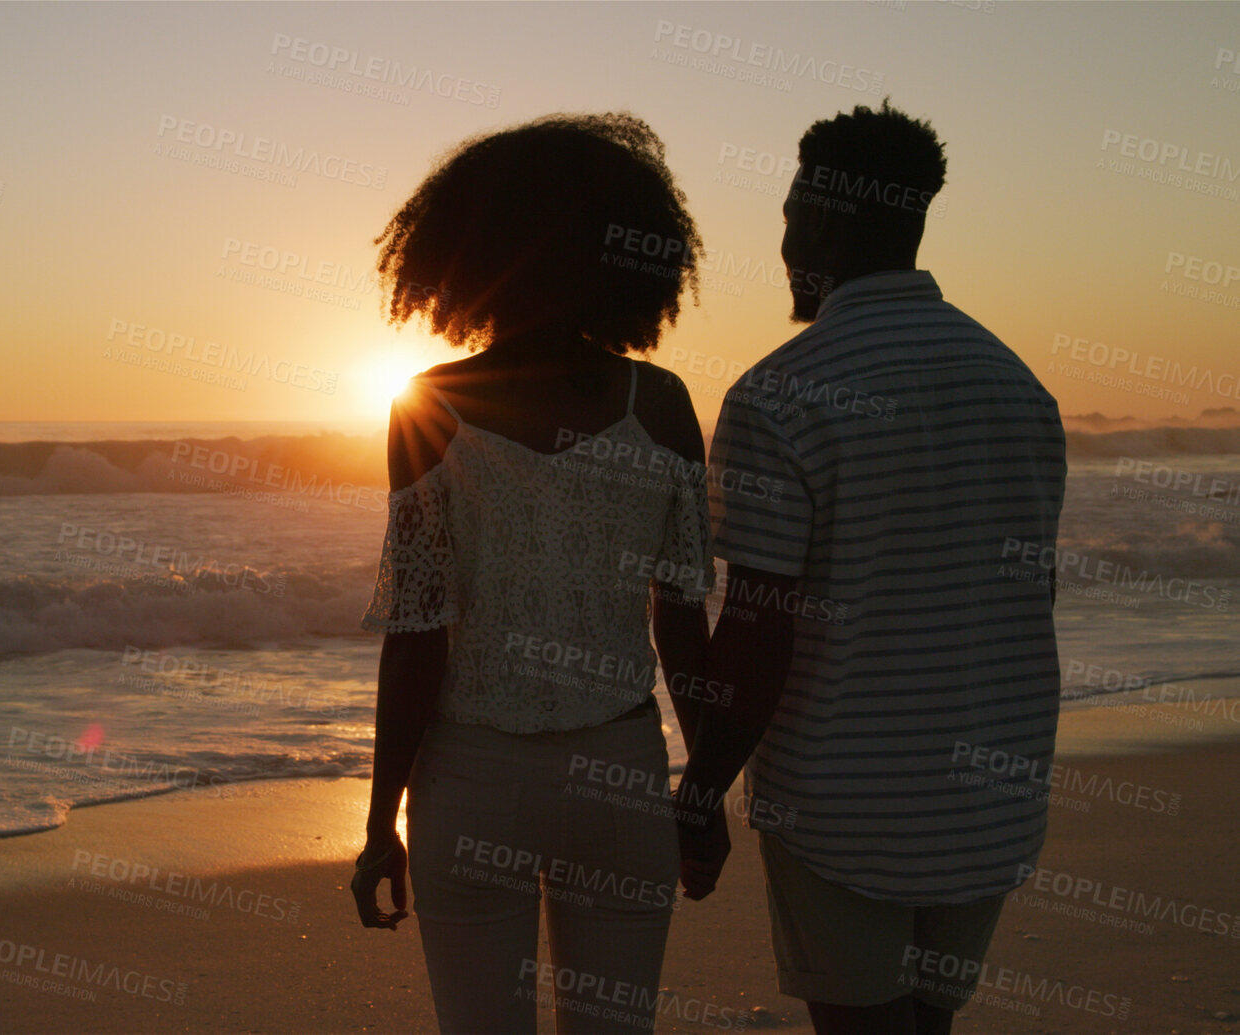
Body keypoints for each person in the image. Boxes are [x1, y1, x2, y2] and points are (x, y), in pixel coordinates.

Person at [674, 101, 1067, 1035]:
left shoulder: (778, 393)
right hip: (992, 793)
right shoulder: (1018, 387)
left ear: (817, 214)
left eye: (785, 216)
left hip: (844, 805)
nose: (780, 244)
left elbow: (761, 625)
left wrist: (701, 782)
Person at [350, 113, 721, 1034]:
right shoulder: (662, 403)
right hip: (622, 771)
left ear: (465, 254)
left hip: (472, 776)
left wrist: (378, 824)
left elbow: (417, 636)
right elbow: (681, 622)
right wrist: (704, 791)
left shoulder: (426, 406)